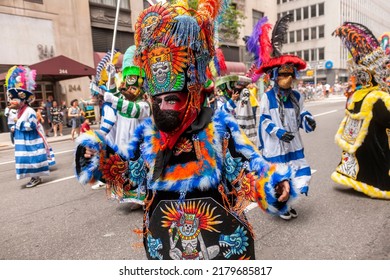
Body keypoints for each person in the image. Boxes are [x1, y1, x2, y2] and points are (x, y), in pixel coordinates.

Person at [75, 0, 294, 260]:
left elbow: (248, 173)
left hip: (219, 252)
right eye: (158, 101)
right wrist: (98, 158)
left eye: (172, 99)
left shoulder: (219, 128)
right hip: (167, 253)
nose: (164, 107)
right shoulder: (147, 135)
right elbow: (131, 178)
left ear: (192, 96)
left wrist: (273, 185)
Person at [255, 14, 316, 220]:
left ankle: (286, 204)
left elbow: (303, 114)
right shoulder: (267, 96)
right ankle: (282, 206)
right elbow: (264, 119)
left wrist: (308, 120)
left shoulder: (297, 96)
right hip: (275, 145)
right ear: (274, 76)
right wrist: (278, 132)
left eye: (289, 75)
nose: (286, 79)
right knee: (279, 178)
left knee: (299, 175)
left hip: (294, 145)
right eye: (282, 75)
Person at [331, 22, 390, 199]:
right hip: (371, 145)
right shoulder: (378, 96)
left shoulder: (358, 94)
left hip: (358, 143)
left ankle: (354, 179)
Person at [5, 66, 55, 187]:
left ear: (22, 101)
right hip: (24, 140)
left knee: (32, 159)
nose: (11, 102)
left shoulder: (30, 111)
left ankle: (36, 178)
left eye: (13, 100)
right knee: (26, 160)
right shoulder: (20, 111)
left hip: (31, 141)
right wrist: (15, 127)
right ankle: (34, 177)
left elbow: (32, 126)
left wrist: (18, 123)